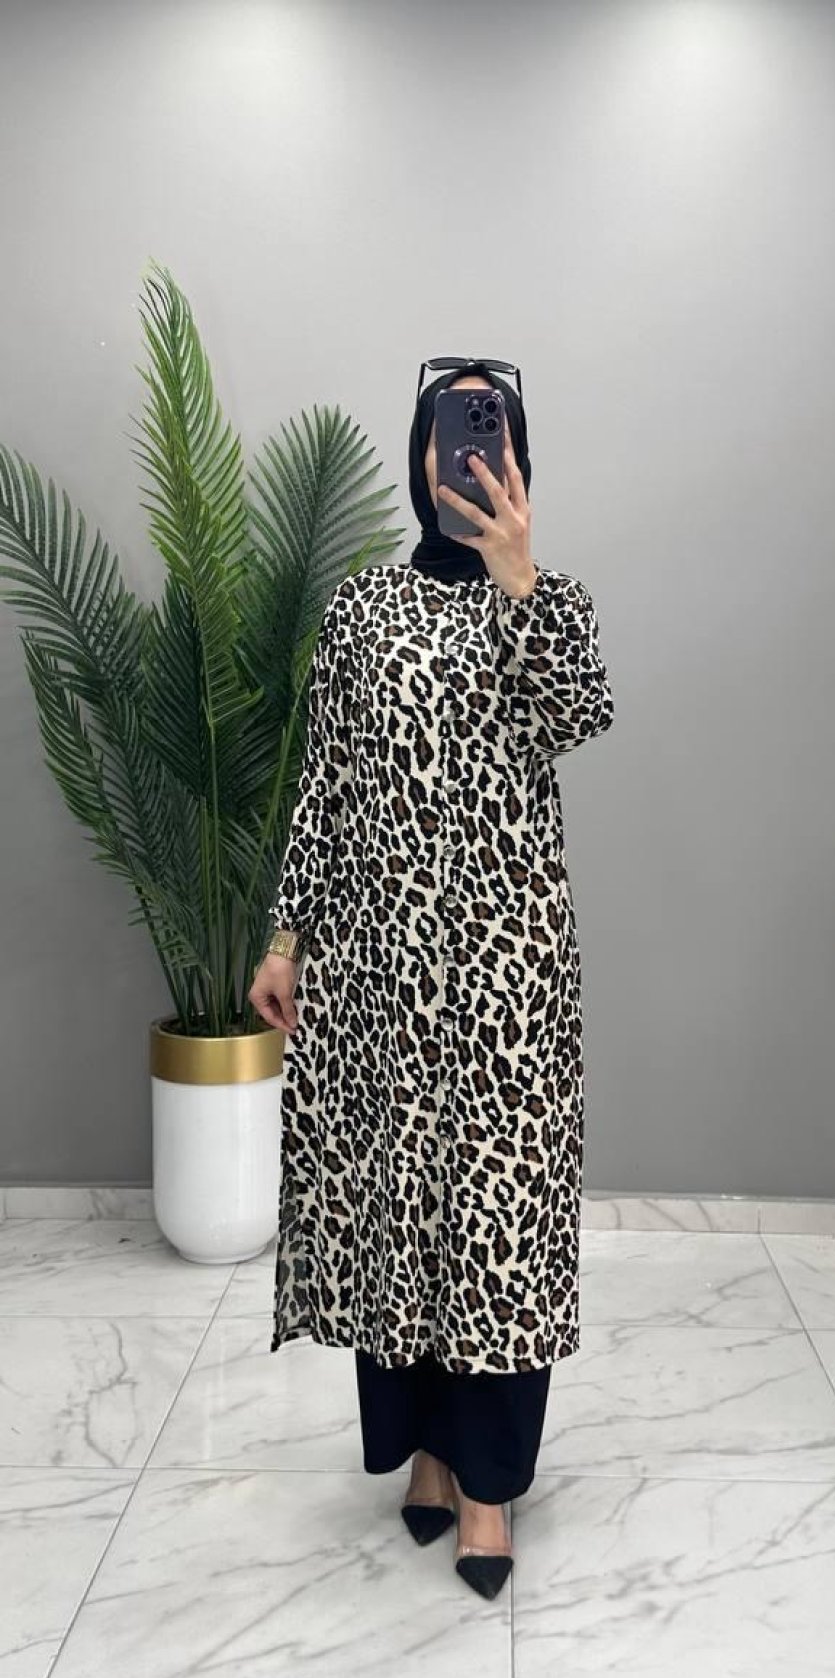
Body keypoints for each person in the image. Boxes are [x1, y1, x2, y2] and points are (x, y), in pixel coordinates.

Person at [249, 356, 615, 1600]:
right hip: (378, 973)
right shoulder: (360, 609)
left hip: (510, 977)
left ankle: (490, 1483)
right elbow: (325, 782)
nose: (466, 452)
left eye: (488, 431)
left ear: (513, 456)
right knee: (399, 1213)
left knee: (499, 1219)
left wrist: (519, 577)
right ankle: (424, 1448)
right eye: (448, 430)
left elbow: (575, 715)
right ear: (420, 454)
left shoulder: (549, 599)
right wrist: (286, 938)